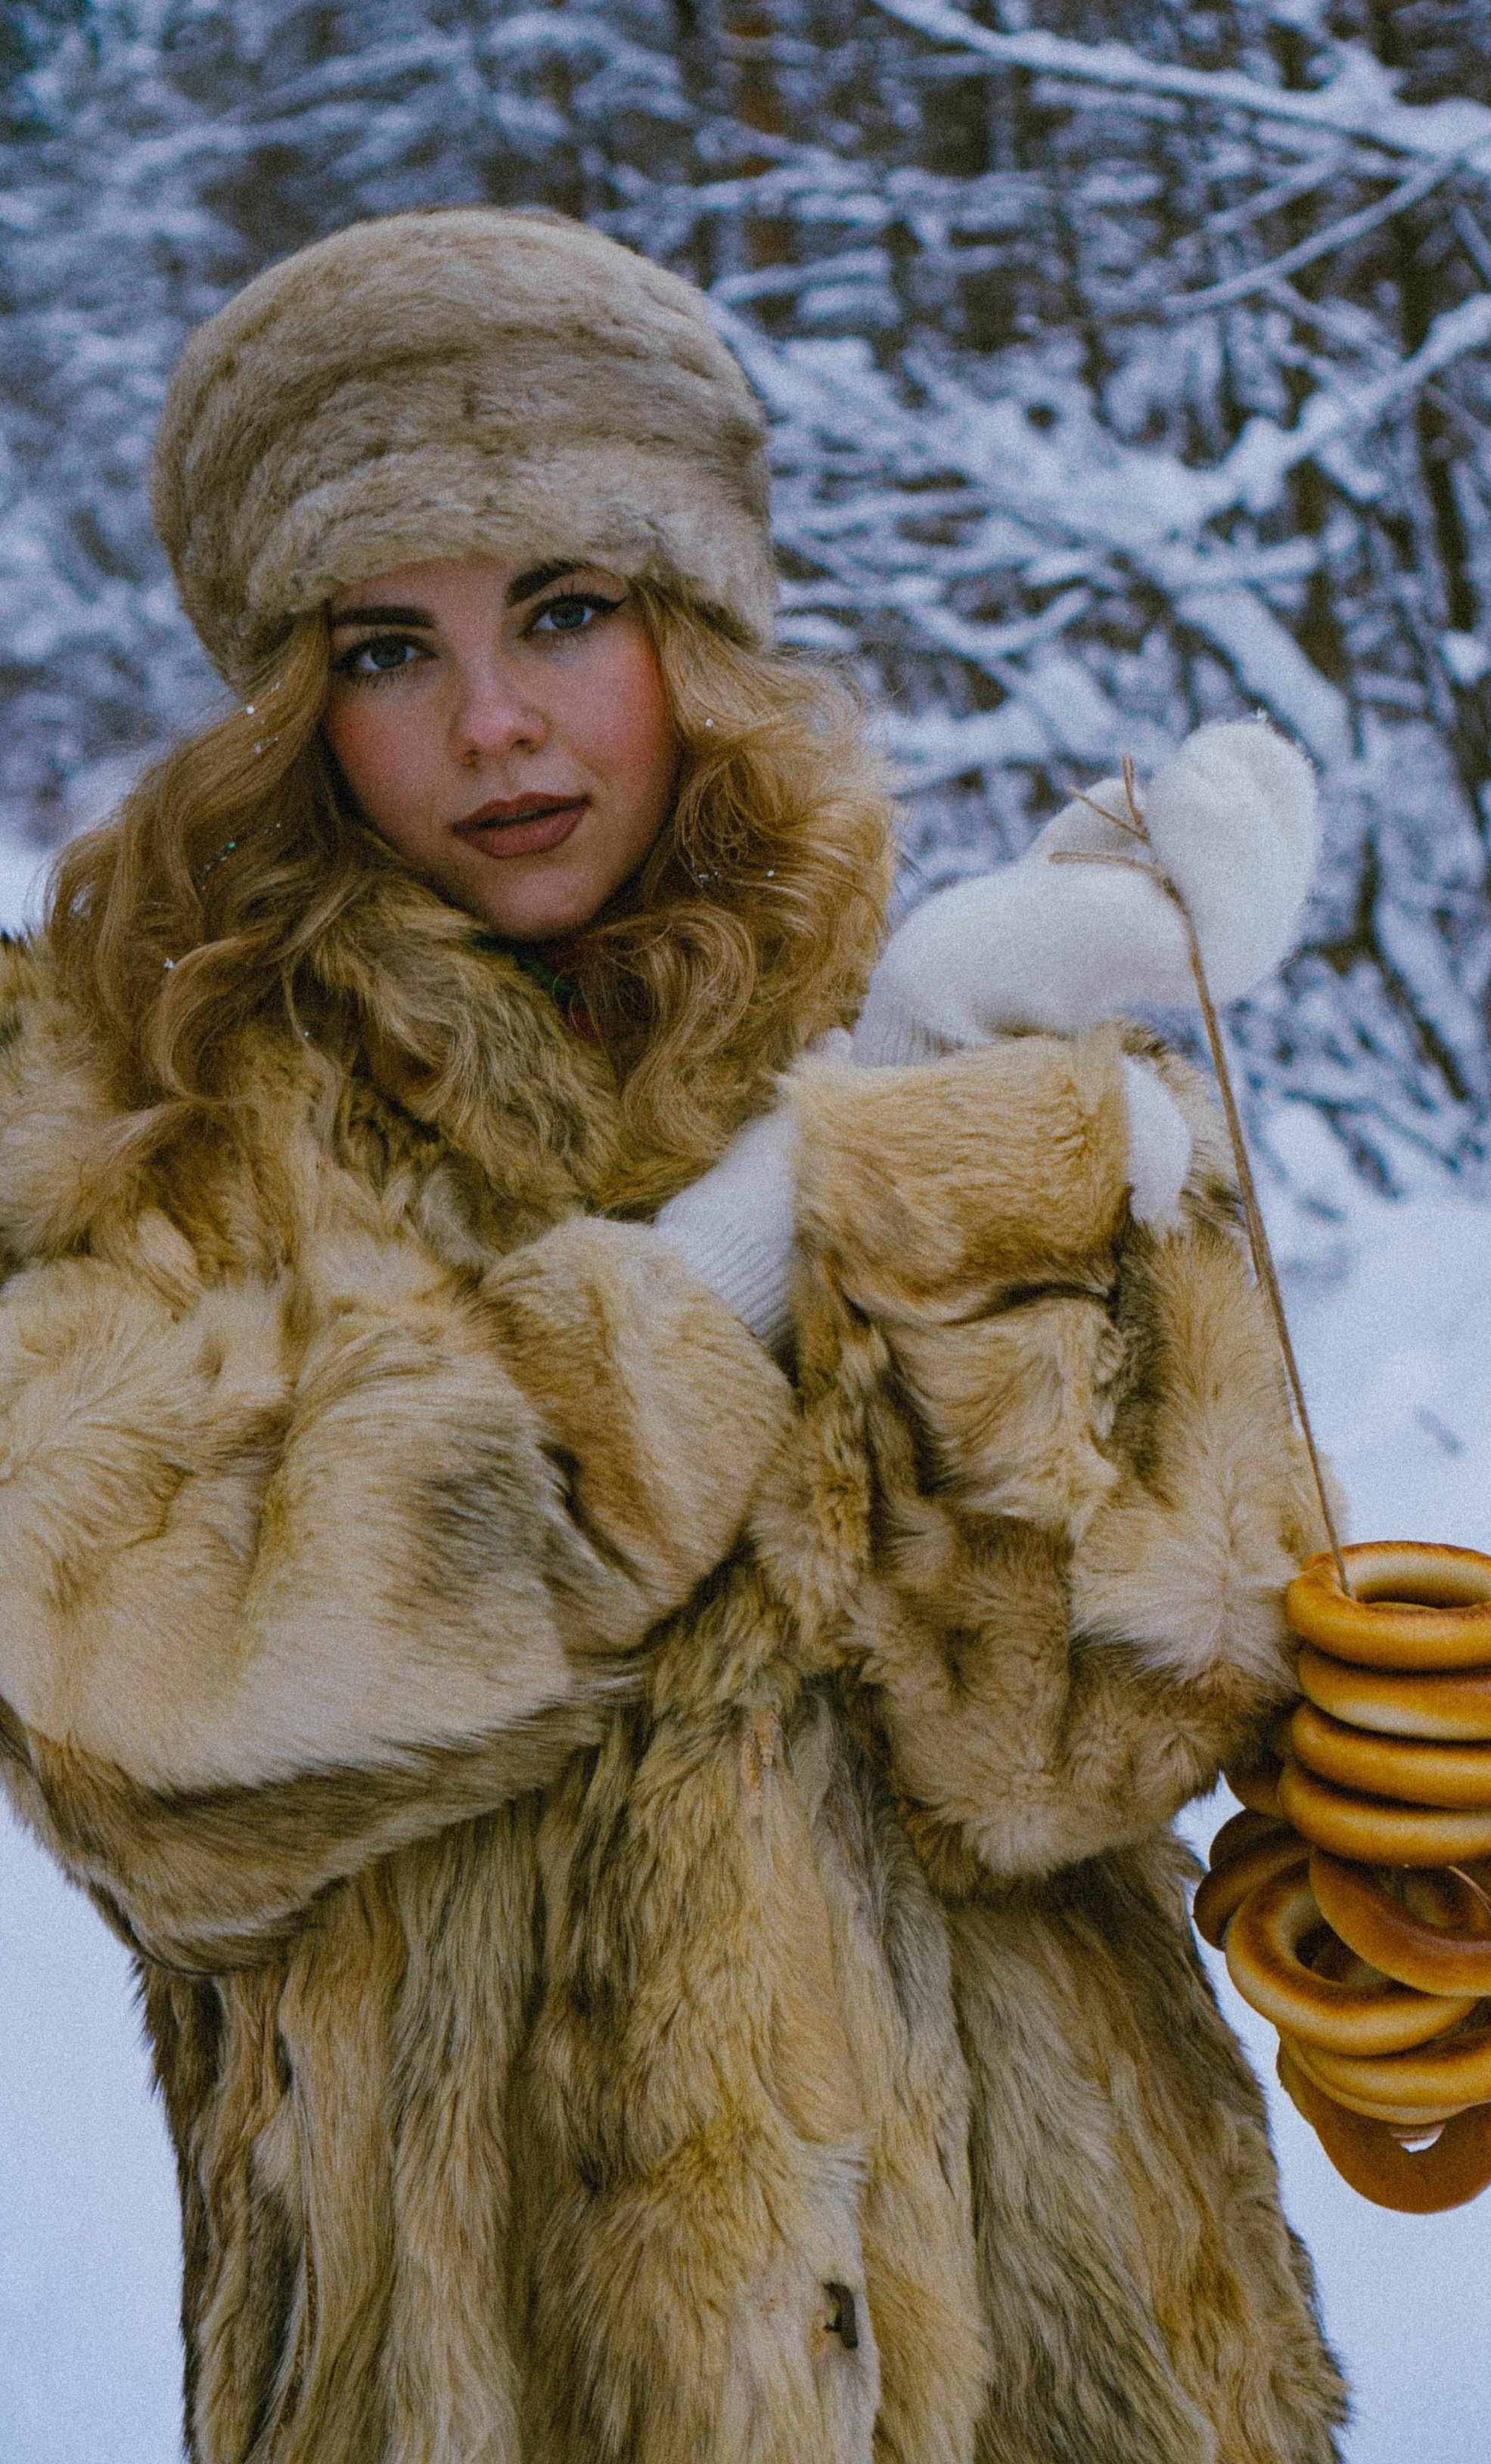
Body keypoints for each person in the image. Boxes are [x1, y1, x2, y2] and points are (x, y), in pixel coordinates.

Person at [0, 208, 1348, 2464]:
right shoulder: (133, 1111)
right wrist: (770, 1228)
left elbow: (1100, 1736)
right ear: (287, 699)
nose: (495, 725)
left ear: (688, 631)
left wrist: (986, 1176)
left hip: (1055, 2366)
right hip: (470, 2393)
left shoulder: (926, 1041)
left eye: (561, 613)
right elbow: (159, 1712)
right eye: (384, 648)